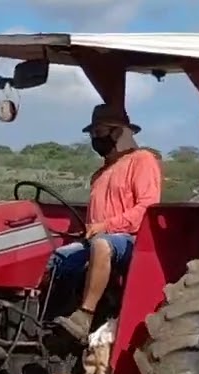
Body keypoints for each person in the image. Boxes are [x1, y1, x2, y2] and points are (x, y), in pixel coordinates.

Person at [48, 103, 162, 343]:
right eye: (93, 134)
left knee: (102, 244)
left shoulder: (142, 160)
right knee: (54, 258)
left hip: (131, 240)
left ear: (118, 132)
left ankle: (84, 316)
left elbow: (146, 209)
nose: (95, 139)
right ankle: (45, 318)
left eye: (99, 132)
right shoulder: (100, 174)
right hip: (98, 239)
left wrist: (105, 226)